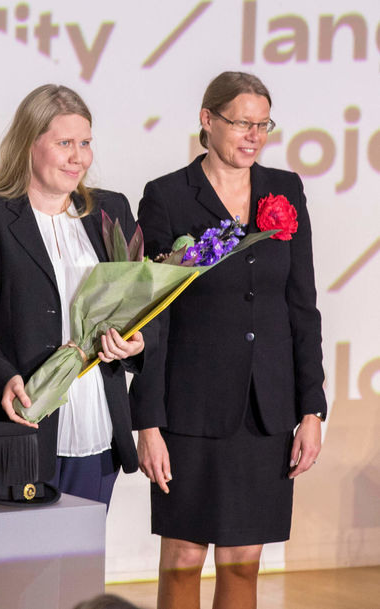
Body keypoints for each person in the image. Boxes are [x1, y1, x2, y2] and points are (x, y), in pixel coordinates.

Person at [129, 71, 325, 609]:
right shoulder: (167, 197)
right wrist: (147, 422)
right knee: (183, 562)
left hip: (265, 412)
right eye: (242, 122)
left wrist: (312, 409)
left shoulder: (284, 191)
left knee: (243, 566)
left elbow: (301, 307)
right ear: (207, 120)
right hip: (189, 412)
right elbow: (152, 317)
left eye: (263, 125)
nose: (254, 135)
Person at [0, 84, 146, 508]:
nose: (78, 157)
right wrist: (0, 376)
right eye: (65, 143)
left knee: (79, 569)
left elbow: (139, 306)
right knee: (16, 571)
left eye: (85, 143)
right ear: (29, 144)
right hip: (17, 427)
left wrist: (136, 343)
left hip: (98, 426)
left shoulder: (111, 209)